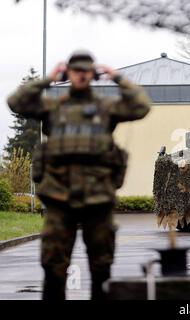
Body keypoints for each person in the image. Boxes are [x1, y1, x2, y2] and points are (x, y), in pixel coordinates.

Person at [7, 50, 151, 300]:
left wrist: (117, 78)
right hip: (58, 198)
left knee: (101, 266)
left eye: (86, 71)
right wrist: (48, 79)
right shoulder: (53, 107)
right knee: (53, 266)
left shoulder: (106, 108)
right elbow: (15, 102)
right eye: (76, 71)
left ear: (92, 74)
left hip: (98, 199)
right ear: (68, 73)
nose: (81, 75)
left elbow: (141, 106)